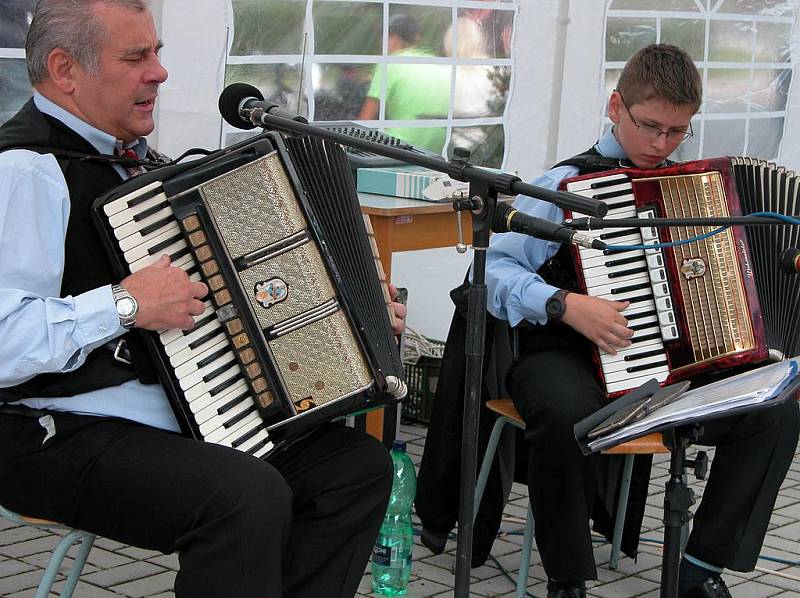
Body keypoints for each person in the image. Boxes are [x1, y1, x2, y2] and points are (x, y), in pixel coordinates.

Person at [0, 1, 407, 597]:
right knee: (245, 497)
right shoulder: (25, 172)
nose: (159, 73)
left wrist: (349, 317)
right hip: (49, 430)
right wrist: (123, 304)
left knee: (353, 469)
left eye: (157, 53)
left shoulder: (129, 163)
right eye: (137, 57)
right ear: (65, 69)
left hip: (174, 413)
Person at [483, 44, 799, 598]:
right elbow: (493, 269)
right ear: (614, 107)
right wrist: (563, 303)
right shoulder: (563, 185)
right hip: (566, 351)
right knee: (561, 411)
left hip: (674, 364)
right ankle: (568, 577)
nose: (662, 144)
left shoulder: (698, 190)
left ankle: (700, 568)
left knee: (775, 410)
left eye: (678, 132)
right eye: (650, 126)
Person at [357, 13, 450, 153]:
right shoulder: (436, 63)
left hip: (399, 150)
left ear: (394, 38)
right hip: (435, 152)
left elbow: (364, 122)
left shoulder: (388, 64)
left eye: (383, 36)